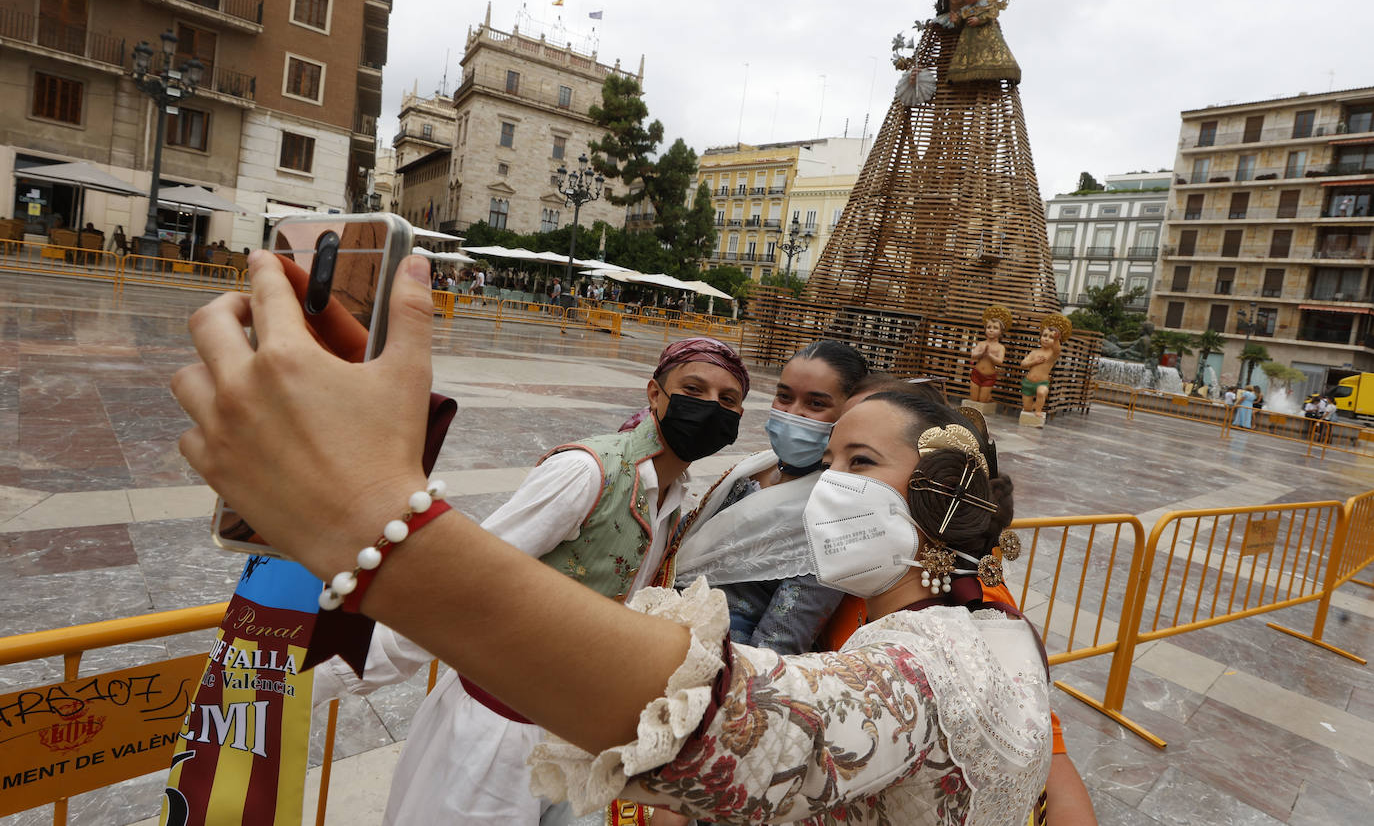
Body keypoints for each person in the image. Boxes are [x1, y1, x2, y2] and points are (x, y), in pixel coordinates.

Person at [172, 253, 1051, 825]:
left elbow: (724, 722)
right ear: (657, 390)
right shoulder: (1001, 632)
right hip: (502, 722)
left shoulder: (913, 668)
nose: (832, 485)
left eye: (857, 457)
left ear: (942, 494)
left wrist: (374, 521)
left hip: (555, 726)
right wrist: (319, 670)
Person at [310, 333, 749, 823]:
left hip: (571, 743)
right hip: (493, 732)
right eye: (694, 389)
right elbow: (460, 581)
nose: (711, 407)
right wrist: (324, 676)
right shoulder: (587, 473)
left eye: (728, 400)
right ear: (654, 394)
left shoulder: (673, 499)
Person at [672, 340, 870, 655]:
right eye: (784, 397)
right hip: (663, 618)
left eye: (815, 404)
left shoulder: (835, 519)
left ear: (850, 415)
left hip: (716, 657)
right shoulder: (753, 468)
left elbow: (776, 647)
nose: (793, 414)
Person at [1021, 313, 1072, 420]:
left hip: (1041, 383)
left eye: (1051, 337)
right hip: (1028, 382)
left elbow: (1058, 350)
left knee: (1041, 392)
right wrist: (1034, 362)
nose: (1046, 339)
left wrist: (1057, 339)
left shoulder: (1052, 355)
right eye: (1044, 336)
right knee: (1027, 408)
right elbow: (1023, 364)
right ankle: (1033, 407)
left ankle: (1038, 410)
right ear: (1040, 337)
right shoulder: (1034, 352)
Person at [968, 305, 1012, 403]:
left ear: (1001, 332)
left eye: (995, 328)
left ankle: (988, 397)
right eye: (989, 327)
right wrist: (982, 353)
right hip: (976, 374)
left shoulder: (1000, 347)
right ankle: (988, 397)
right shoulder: (982, 344)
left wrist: (989, 355)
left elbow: (1000, 362)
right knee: (974, 399)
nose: (991, 330)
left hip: (989, 376)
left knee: (982, 400)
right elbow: (973, 355)